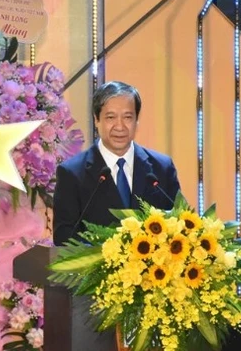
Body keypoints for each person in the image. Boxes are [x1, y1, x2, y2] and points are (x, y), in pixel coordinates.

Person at [53, 81, 182, 246]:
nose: (120, 126)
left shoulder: (161, 168)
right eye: (110, 117)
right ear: (96, 120)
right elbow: (64, 239)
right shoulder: (72, 173)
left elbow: (179, 225)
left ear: (137, 121)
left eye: (128, 117)